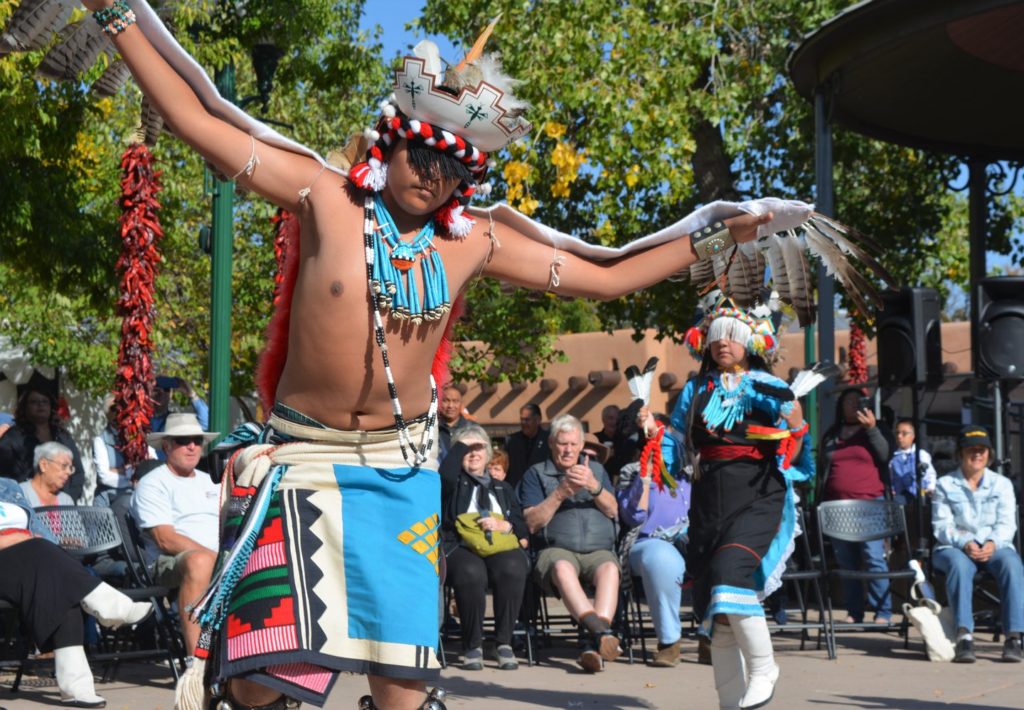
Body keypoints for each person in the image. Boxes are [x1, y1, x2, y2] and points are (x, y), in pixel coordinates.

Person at [77, 4, 777, 707]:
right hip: (299, 466)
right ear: (391, 143)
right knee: (261, 684)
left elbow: (605, 272)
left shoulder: (474, 240)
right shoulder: (325, 195)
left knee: (403, 688)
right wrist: (114, 15)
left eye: (450, 167)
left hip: (397, 471)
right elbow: (203, 119)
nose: (431, 177)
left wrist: (719, 239)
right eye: (421, 156)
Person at [672, 299, 811, 708]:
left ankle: (765, 667)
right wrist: (657, 441)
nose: (723, 344)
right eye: (716, 337)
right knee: (717, 608)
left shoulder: (767, 385)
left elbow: (797, 442)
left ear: (750, 342)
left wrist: (797, 422)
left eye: (732, 336)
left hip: (758, 493)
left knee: (731, 574)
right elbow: (677, 439)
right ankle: (731, 704)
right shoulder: (696, 389)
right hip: (709, 501)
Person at [0, 477, 152, 707]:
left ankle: (77, 689)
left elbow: (42, 535)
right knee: (51, 569)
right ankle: (109, 605)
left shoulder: (7, 485)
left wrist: (32, 541)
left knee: (60, 585)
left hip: (26, 560)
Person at [518, 414, 621, 673]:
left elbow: (613, 510)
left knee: (610, 570)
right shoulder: (537, 473)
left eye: (574, 444)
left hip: (598, 549)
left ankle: (591, 644)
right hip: (556, 550)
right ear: (552, 443)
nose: (568, 450)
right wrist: (560, 492)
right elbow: (531, 522)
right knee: (563, 567)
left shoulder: (596, 470)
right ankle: (602, 632)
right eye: (563, 443)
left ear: (581, 444)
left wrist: (594, 486)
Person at [440, 424, 530, 671]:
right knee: (471, 572)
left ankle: (503, 642)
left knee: (513, 566)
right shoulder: (452, 483)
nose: (473, 452)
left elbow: (522, 527)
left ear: (489, 453)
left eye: (479, 447)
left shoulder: (503, 488)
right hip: (459, 546)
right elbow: (445, 476)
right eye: (466, 448)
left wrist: (505, 525)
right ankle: (473, 645)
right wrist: (459, 446)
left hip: (498, 544)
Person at [932, 425, 1023, 663]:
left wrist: (993, 542)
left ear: (989, 454)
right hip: (954, 547)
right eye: (971, 449)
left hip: (995, 545)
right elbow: (942, 526)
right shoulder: (944, 484)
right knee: (959, 566)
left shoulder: (1002, 484)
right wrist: (965, 542)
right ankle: (965, 636)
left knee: (1012, 565)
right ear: (960, 453)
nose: (977, 454)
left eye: (982, 450)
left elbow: (1007, 524)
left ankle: (1013, 636)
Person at [131, 413, 220, 656]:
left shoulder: (212, 482)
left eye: (197, 440)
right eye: (183, 440)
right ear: (167, 445)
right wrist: (215, 557)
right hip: (168, 561)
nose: (191, 446)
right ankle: (196, 662)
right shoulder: (153, 482)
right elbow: (165, 539)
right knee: (199, 561)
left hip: (217, 556)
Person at [616, 416, 691, 667]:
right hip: (647, 541)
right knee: (661, 559)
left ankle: (710, 635)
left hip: (688, 538)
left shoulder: (691, 473)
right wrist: (645, 477)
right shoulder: (631, 472)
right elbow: (632, 515)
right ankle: (669, 642)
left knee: (720, 554)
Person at [820, 387, 893, 626]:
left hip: (870, 503)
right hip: (837, 505)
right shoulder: (833, 433)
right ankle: (854, 611)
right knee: (846, 561)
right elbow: (824, 466)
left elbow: (885, 455)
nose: (852, 405)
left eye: (857, 401)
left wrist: (871, 429)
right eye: (847, 401)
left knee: (873, 557)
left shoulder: (877, 428)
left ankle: (883, 611)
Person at [0, 385, 86, 501]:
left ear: (51, 407)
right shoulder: (13, 437)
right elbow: (5, 476)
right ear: (25, 407)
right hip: (26, 501)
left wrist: (68, 498)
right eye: (34, 402)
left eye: (45, 401)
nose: (40, 405)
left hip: (63, 504)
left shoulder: (62, 436)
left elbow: (78, 472)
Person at [93, 394, 157, 503]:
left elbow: (152, 466)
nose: (118, 411)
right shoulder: (100, 441)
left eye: (121, 406)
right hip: (109, 502)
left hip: (136, 500)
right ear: (106, 414)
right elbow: (104, 476)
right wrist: (133, 474)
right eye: (113, 408)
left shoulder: (141, 436)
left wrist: (119, 471)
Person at [890, 417, 937, 504]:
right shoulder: (893, 457)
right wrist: (891, 489)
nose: (899, 436)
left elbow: (930, 474)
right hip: (900, 497)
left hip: (920, 496)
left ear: (913, 436)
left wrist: (930, 488)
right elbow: (891, 477)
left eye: (904, 434)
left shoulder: (920, 454)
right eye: (897, 433)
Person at [19, 441, 77, 507]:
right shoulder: (18, 494)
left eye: (70, 468)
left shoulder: (66, 501)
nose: (68, 472)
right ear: (43, 465)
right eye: (64, 466)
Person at [505, 404, 550, 489]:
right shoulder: (511, 440)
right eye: (522, 420)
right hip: (516, 491)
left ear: (538, 420)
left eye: (527, 420)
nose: (523, 423)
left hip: (540, 490)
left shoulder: (549, 441)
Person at [437, 385, 469, 461]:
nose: (450, 406)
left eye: (455, 401)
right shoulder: (432, 429)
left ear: (461, 404)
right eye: (446, 401)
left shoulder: (471, 428)